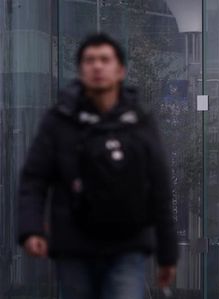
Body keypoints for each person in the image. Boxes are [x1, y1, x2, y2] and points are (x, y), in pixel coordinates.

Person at [17, 33, 178, 299]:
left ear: (120, 70)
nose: (97, 66)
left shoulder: (138, 121)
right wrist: (31, 228)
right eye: (90, 60)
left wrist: (167, 253)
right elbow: (34, 179)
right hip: (74, 245)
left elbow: (160, 187)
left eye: (105, 59)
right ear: (80, 70)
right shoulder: (60, 120)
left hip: (128, 245)